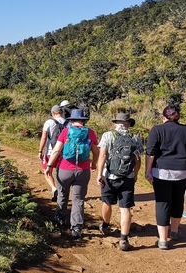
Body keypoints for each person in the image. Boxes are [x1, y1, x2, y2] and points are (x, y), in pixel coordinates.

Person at [145, 106, 186, 250]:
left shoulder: (157, 130)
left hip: (162, 172)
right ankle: (175, 231)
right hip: (184, 171)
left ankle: (163, 240)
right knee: (178, 199)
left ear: (164, 117)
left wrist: (148, 171)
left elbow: (151, 153)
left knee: (163, 202)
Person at [45, 109, 99, 239]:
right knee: (78, 199)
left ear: (71, 120)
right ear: (84, 120)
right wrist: (93, 164)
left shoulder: (66, 131)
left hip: (64, 169)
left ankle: (60, 220)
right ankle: (76, 227)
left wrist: (49, 166)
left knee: (63, 194)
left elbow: (57, 150)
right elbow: (96, 152)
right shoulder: (90, 132)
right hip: (83, 170)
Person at [96, 112, 143, 251]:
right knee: (125, 208)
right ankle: (124, 239)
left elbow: (103, 155)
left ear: (115, 123)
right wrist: (135, 175)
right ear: (128, 124)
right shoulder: (135, 138)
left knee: (107, 202)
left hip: (109, 177)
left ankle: (105, 226)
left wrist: (99, 174)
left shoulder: (108, 135)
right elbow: (138, 159)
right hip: (127, 178)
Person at [38, 105, 67, 201]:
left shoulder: (49, 122)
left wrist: (40, 151)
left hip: (50, 152)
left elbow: (44, 137)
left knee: (47, 172)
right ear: (61, 112)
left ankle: (54, 188)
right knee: (60, 173)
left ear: (53, 113)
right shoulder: (68, 123)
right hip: (64, 153)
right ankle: (61, 192)